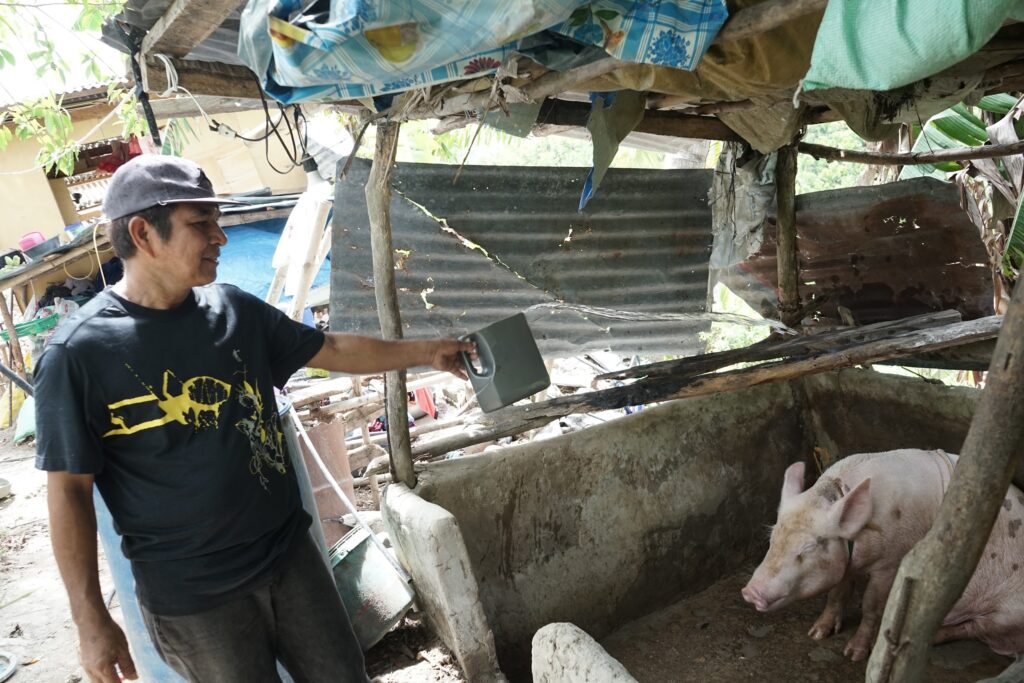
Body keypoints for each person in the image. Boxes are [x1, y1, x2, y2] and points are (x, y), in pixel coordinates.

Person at [34, 154, 474, 683]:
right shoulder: (78, 354)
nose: (220, 237)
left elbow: (330, 347)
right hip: (196, 599)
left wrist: (427, 352)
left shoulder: (233, 310)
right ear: (143, 233)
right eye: (202, 224)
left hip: (290, 559)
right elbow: (68, 491)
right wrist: (91, 620)